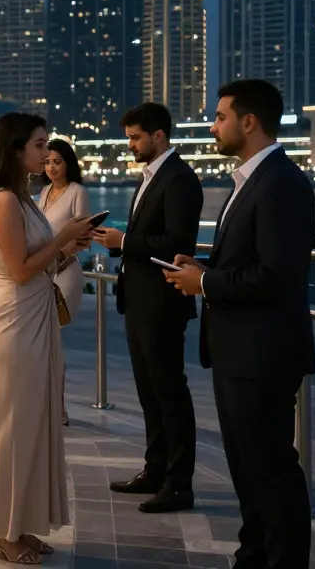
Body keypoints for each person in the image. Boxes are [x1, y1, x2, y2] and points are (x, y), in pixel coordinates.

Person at [165, 80, 315, 568]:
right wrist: (206, 268)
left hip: (263, 354)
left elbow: (276, 275)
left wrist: (205, 285)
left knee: (270, 470)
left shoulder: (282, 183)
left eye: (220, 116)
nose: (213, 126)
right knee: (247, 466)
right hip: (239, 350)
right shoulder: (252, 179)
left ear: (248, 122)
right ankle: (252, 555)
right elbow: (251, 261)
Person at [0, 112, 93, 565]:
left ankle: (19, 521)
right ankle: (0, 527)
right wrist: (63, 239)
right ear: (17, 149)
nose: (46, 152)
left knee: (32, 426)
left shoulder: (22, 197)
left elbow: (34, 264)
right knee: (10, 429)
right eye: (39, 145)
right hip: (14, 320)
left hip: (32, 312)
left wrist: (64, 250)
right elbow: (18, 270)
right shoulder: (4, 199)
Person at [93, 102, 202, 514]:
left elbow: (177, 244)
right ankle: (155, 468)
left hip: (163, 301)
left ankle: (178, 483)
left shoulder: (179, 179)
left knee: (169, 392)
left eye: (136, 138)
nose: (131, 145)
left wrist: (124, 243)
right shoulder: (151, 177)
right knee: (149, 392)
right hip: (139, 298)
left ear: (159, 135)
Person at [38, 138, 91, 426]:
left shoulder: (77, 192)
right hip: (45, 271)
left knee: (53, 337)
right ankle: (49, 404)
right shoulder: (44, 192)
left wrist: (62, 258)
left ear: (68, 163)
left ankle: (58, 408)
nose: (51, 167)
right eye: (47, 161)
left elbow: (84, 236)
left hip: (67, 271)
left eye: (57, 161)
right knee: (45, 340)